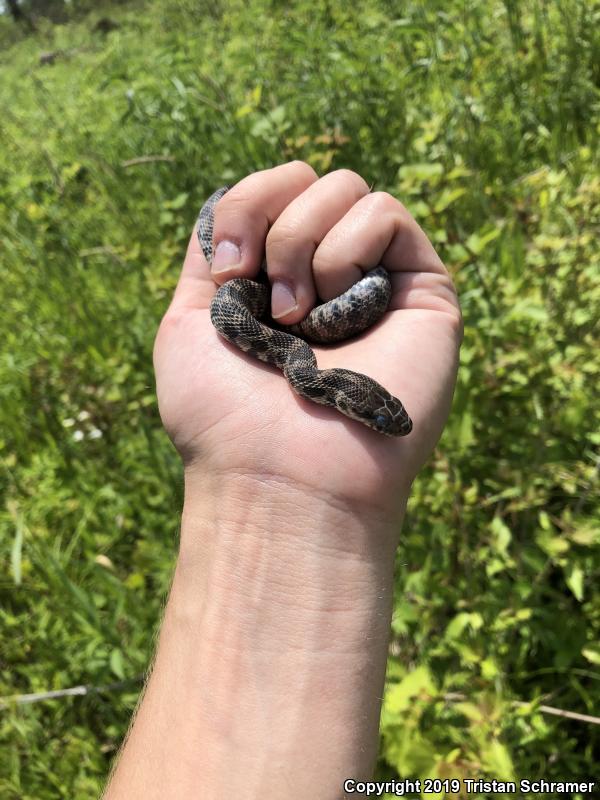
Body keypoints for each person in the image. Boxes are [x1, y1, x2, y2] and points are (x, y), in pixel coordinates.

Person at [103, 161, 462, 798]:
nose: (387, 421)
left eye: (381, 414)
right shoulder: (300, 367)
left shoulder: (308, 368)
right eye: (378, 416)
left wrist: (312, 499)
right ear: (348, 402)